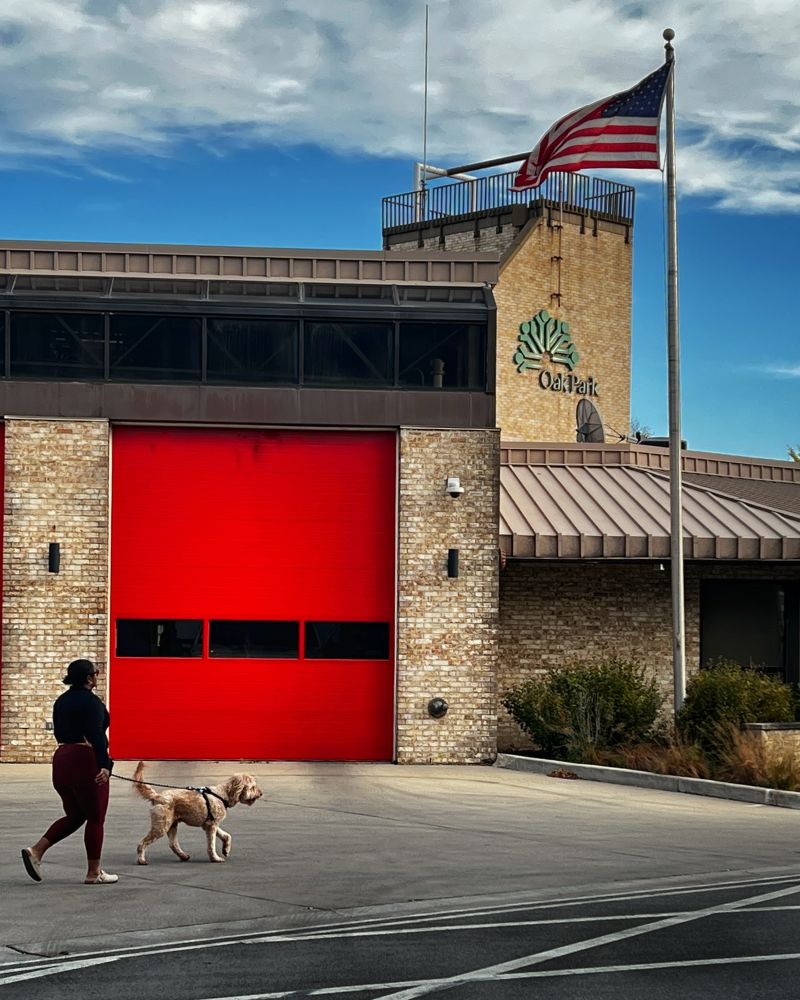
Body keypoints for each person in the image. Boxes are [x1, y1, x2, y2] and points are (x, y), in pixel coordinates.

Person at [21, 658, 118, 885]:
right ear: (88, 678)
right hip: (85, 759)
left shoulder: (61, 701)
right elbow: (95, 735)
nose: (98, 675)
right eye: (96, 672)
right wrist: (105, 764)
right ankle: (94, 872)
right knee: (95, 817)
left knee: (76, 815)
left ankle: (35, 851)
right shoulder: (92, 702)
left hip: (62, 759)